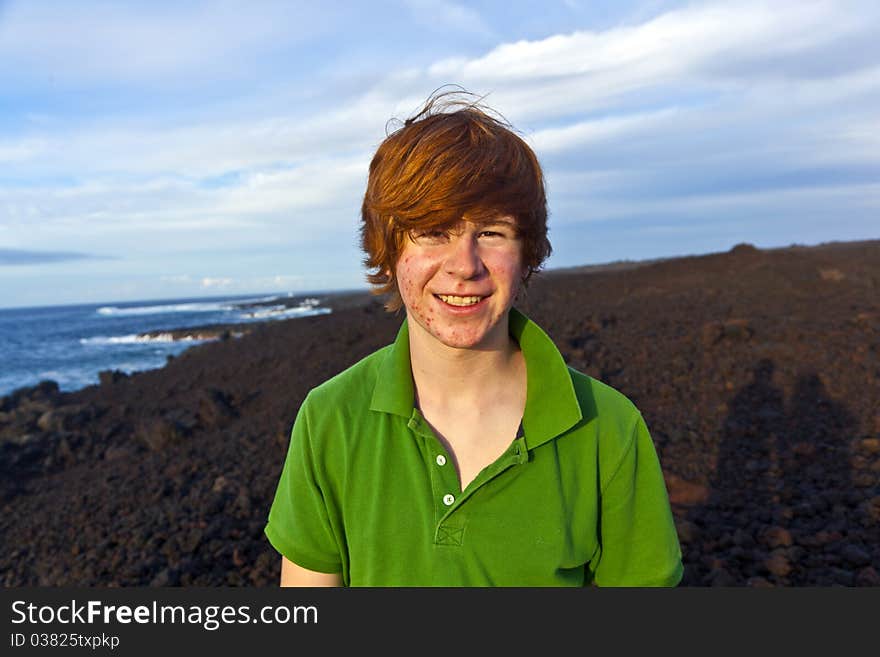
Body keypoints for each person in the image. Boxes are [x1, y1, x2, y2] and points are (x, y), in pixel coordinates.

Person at [264, 89, 683, 586]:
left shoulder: (609, 428)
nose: (464, 266)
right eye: (433, 232)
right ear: (388, 248)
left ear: (527, 252)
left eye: (491, 233)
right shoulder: (329, 418)